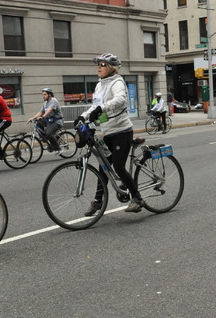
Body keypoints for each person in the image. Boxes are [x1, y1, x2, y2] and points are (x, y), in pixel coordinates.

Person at [74, 53, 144, 214]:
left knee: (119, 167)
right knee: (103, 167)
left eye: (103, 64)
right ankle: (98, 201)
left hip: (122, 131)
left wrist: (101, 108)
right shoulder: (100, 85)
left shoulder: (117, 82)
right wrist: (83, 116)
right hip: (107, 133)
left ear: (111, 68)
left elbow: (120, 100)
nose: (99, 67)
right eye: (98, 64)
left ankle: (138, 199)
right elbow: (96, 105)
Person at [28, 87, 64, 154]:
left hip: (57, 121)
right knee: (38, 123)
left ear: (49, 95)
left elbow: (49, 110)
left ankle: (58, 149)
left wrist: (43, 117)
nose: (43, 96)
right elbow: (40, 112)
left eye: (45, 94)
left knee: (49, 134)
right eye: (43, 94)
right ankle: (44, 139)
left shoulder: (53, 100)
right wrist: (33, 118)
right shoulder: (45, 103)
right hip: (49, 121)